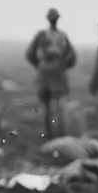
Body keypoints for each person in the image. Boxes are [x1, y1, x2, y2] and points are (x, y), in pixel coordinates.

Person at [25, 10, 77, 141]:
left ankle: (50, 134)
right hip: (58, 73)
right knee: (59, 104)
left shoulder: (42, 35)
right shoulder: (63, 36)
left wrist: (39, 65)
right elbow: (72, 57)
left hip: (46, 74)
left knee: (47, 105)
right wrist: (63, 66)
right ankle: (61, 133)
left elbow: (30, 53)